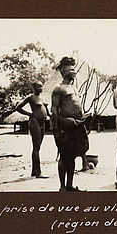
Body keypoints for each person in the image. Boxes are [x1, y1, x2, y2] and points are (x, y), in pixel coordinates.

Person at [51, 56, 90, 192]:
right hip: (65, 127)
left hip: (77, 126)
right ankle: (62, 187)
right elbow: (54, 110)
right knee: (64, 156)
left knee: (72, 156)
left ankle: (70, 185)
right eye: (70, 69)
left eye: (74, 69)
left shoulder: (74, 88)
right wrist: (56, 130)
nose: (73, 72)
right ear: (62, 71)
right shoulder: (58, 88)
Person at [13, 82, 50, 178]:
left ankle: (34, 171)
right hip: (35, 122)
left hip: (42, 123)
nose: (41, 87)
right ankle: (38, 172)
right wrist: (30, 114)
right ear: (33, 87)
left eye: (41, 86)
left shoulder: (42, 98)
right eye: (38, 86)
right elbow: (18, 108)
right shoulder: (31, 97)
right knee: (36, 147)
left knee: (38, 148)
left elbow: (48, 112)